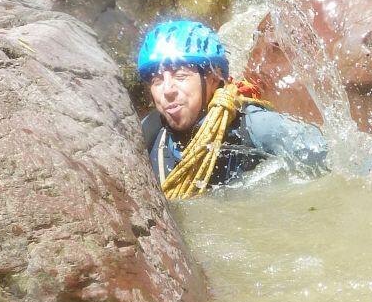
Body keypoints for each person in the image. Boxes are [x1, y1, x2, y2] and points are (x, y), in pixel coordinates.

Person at [138, 19, 327, 198]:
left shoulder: (253, 125)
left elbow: (328, 159)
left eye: (181, 76)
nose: (167, 90)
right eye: (157, 81)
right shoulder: (149, 133)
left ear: (214, 78)